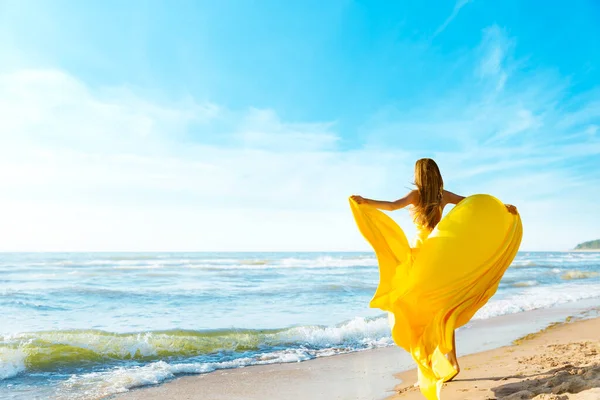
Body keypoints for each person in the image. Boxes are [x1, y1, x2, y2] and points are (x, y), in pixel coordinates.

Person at [350, 158, 517, 381]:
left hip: (423, 256)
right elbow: (472, 204)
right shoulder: (443, 195)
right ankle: (451, 360)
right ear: (436, 174)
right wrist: (502, 208)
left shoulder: (415, 195)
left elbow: (391, 206)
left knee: (410, 305)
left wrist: (365, 201)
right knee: (444, 310)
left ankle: (428, 356)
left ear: (418, 175)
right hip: (440, 254)